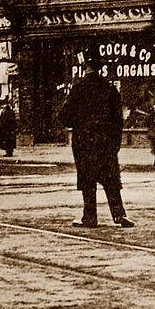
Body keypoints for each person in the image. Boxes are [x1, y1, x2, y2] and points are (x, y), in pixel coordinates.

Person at [59, 53, 134, 228]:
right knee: (111, 180)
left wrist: (79, 122)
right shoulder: (110, 89)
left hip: (84, 142)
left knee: (87, 180)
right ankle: (119, 215)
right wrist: (115, 143)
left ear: (87, 67)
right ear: (101, 69)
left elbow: (64, 116)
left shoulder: (79, 89)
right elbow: (118, 121)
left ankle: (89, 217)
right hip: (106, 142)